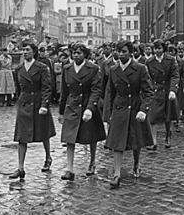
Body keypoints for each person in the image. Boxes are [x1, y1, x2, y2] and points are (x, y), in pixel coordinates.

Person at [105, 40, 154, 189]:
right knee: (117, 143)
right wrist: (108, 115)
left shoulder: (140, 68)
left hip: (135, 107)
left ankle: (136, 163)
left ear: (131, 52)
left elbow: (148, 91)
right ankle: (117, 174)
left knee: (135, 139)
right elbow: (110, 93)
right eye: (119, 51)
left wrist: (143, 109)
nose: (121, 54)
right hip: (119, 108)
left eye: (124, 51)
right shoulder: (113, 70)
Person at [58, 43, 105, 181]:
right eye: (74, 53)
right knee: (69, 137)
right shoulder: (67, 68)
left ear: (85, 54)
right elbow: (64, 91)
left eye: (79, 53)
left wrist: (90, 108)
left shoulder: (93, 68)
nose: (76, 55)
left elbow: (96, 89)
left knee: (91, 136)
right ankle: (69, 169)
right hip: (72, 106)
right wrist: (61, 111)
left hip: (87, 105)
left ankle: (92, 162)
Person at [9, 40, 56, 179]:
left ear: (34, 52)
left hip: (38, 103)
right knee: (21, 136)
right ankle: (20, 167)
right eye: (23, 49)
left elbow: (47, 87)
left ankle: (48, 157)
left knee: (43, 133)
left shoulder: (41, 67)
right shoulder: (18, 69)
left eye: (27, 49)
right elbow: (18, 87)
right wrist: (20, 100)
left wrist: (44, 104)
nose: (25, 52)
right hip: (24, 103)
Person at [145, 39, 179, 149]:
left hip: (167, 91)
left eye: (159, 48)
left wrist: (173, 90)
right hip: (155, 92)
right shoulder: (149, 62)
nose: (157, 51)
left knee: (167, 116)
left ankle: (168, 136)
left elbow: (175, 75)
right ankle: (153, 141)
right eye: (155, 48)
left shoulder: (171, 60)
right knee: (153, 117)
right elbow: (147, 77)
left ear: (163, 49)